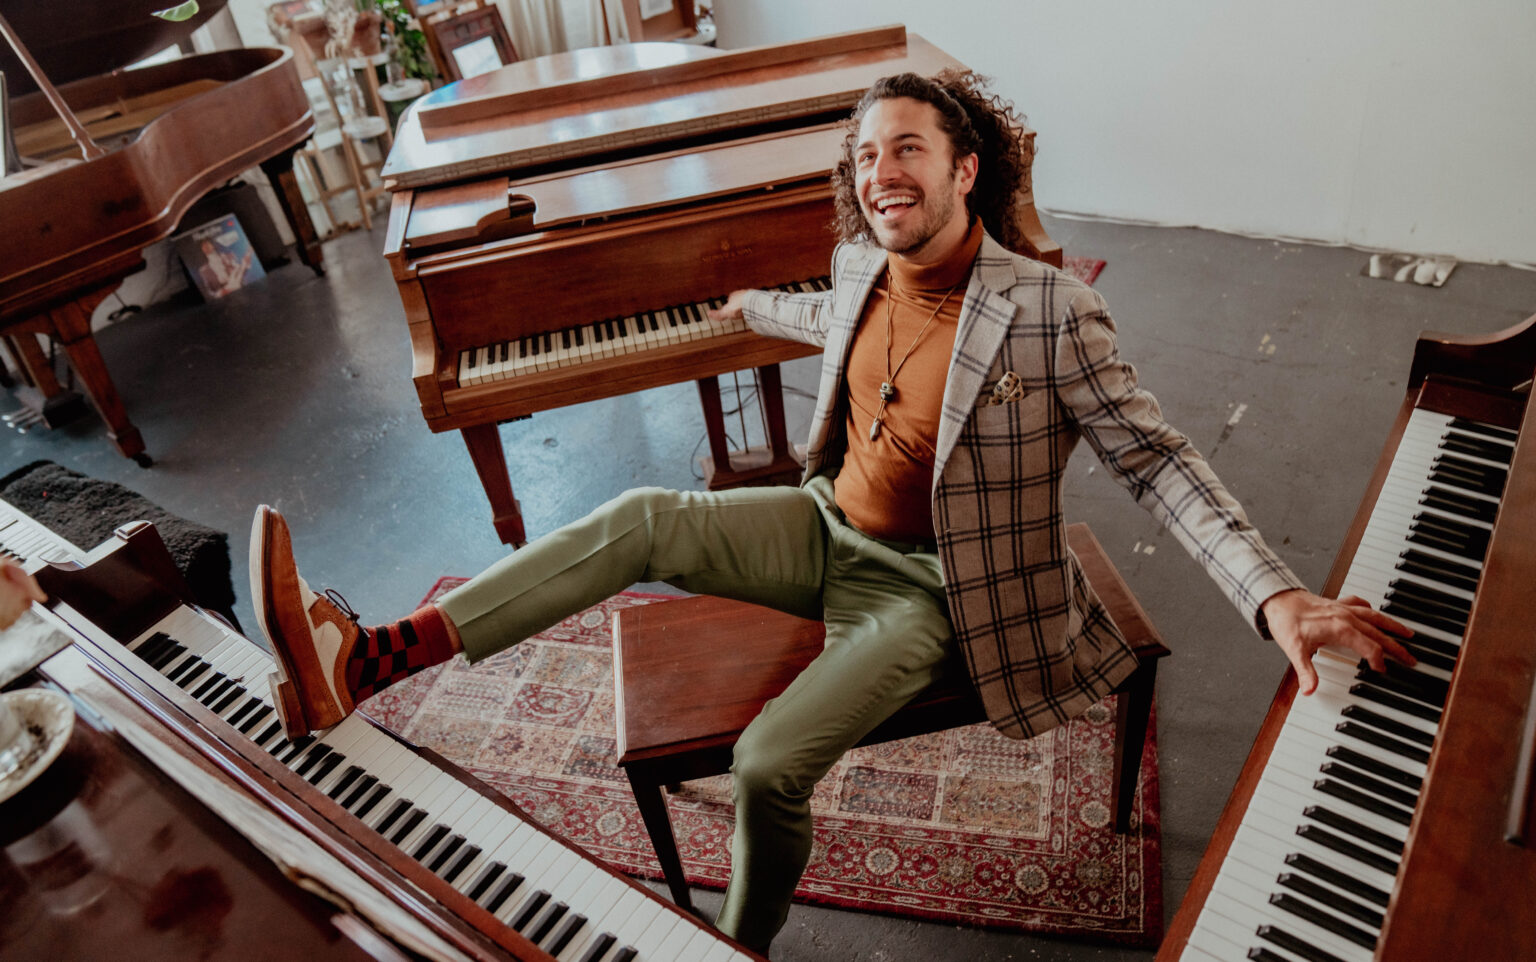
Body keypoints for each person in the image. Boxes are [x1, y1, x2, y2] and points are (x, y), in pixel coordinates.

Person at [251, 69, 1415, 954]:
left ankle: (732, 942)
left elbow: (1160, 464)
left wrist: (1277, 595)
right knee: (642, 514)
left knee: (767, 765)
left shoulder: (1052, 312)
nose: (879, 173)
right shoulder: (863, 264)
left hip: (932, 590)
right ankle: (377, 657)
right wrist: (725, 297)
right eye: (864, 157)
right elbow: (820, 313)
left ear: (968, 170)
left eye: (906, 148)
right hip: (822, 524)